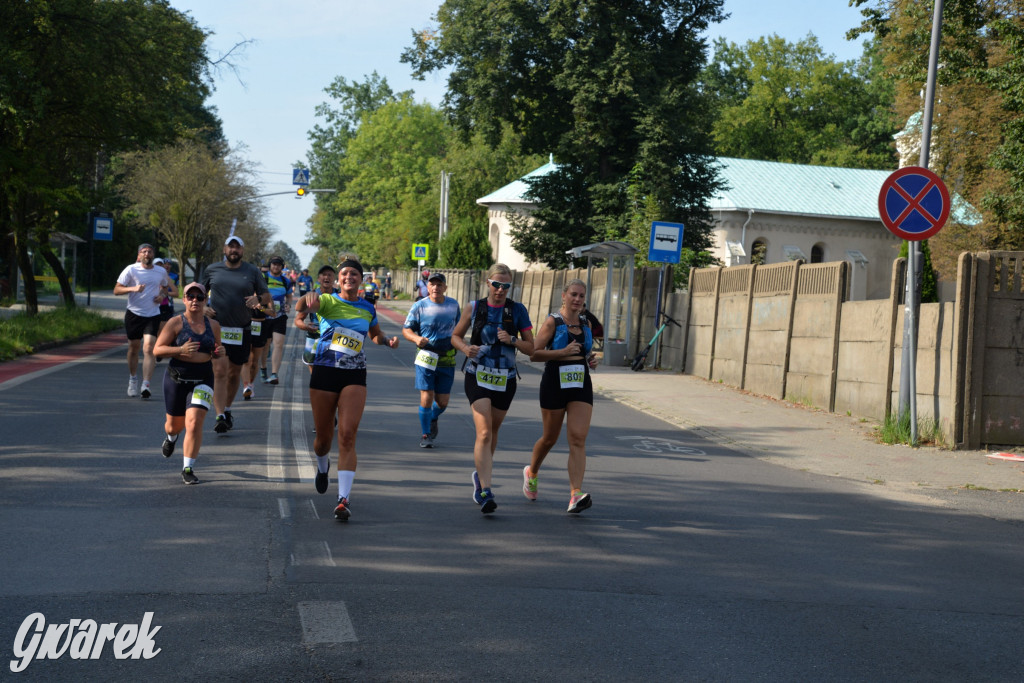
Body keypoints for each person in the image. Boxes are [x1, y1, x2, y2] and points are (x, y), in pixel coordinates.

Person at [294, 256, 399, 522]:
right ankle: (322, 465)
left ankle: (343, 499)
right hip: (325, 372)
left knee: (348, 435)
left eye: (354, 274)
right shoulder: (328, 301)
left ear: (361, 279)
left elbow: (374, 334)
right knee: (323, 440)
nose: (349, 277)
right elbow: (302, 307)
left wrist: (387, 341)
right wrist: (307, 297)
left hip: (354, 374)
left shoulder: (367, 307)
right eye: (345, 274)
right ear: (339, 279)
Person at [450, 263, 534, 514]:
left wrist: (513, 340)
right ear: (488, 283)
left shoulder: (517, 310)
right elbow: (455, 336)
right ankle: (485, 490)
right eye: (496, 284)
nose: (500, 290)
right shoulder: (474, 307)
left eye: (505, 286)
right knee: (484, 432)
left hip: (505, 379)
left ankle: (480, 473)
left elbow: (533, 347)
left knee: (493, 432)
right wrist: (465, 349)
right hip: (477, 375)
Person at [524, 278, 600, 513]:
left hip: (580, 382)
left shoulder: (586, 323)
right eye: (573, 295)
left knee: (578, 437)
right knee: (550, 438)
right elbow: (533, 354)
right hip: (554, 381)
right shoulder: (552, 322)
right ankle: (532, 472)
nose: (577, 299)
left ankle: (575, 493)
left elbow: (584, 352)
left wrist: (590, 359)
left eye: (581, 296)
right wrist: (562, 352)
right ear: (564, 296)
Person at [200, 234, 272, 434]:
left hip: (242, 330)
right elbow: (196, 293)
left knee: (233, 374)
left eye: (237, 247)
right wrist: (203, 307)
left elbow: (266, 296)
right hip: (217, 329)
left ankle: (228, 408)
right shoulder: (212, 270)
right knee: (220, 372)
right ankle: (220, 414)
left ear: (242, 250)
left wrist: (258, 298)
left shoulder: (252, 271)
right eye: (230, 247)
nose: (234, 251)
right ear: (224, 249)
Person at [153, 282, 223, 485]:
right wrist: (179, 350)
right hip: (177, 378)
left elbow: (217, 350)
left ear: (205, 300)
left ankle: (188, 468)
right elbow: (157, 350)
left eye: (199, 297)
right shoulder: (175, 323)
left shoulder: (214, 325)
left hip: (203, 379)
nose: (195, 300)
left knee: (193, 422)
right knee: (174, 425)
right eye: (190, 297)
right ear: (183, 299)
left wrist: (219, 352)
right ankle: (171, 438)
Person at [402, 272, 460, 449]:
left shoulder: (453, 305)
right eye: (432, 284)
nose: (436, 287)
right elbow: (406, 330)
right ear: (427, 287)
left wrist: (460, 345)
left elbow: (459, 329)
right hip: (426, 356)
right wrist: (416, 339)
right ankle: (426, 434)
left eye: (439, 284)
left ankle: (433, 416)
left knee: (442, 402)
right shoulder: (419, 306)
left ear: (445, 287)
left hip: (446, 358)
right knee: (426, 396)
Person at [114, 243, 174, 400]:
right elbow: (116, 290)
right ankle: (133, 379)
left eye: (150, 251)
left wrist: (162, 296)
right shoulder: (131, 269)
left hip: (153, 314)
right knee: (134, 348)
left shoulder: (160, 271)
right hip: (134, 314)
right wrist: (132, 289)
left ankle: (146, 384)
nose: (147, 253)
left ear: (153, 255)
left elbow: (166, 288)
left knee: (149, 348)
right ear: (139, 255)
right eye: (144, 251)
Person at [257, 255, 293, 385]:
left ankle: (274, 374)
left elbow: (289, 296)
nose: (276, 266)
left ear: (282, 267)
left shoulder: (285, 281)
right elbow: (256, 294)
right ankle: (263, 369)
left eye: (278, 265)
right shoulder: (263, 278)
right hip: (264, 315)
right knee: (265, 345)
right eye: (273, 264)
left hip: (279, 316)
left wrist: (288, 304)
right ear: (270, 265)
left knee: (278, 344)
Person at [295, 264, 337, 371]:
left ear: (334, 279)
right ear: (319, 279)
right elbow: (298, 320)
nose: (326, 277)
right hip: (315, 336)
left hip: (334, 337)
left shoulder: (340, 297)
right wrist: (306, 327)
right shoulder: (312, 296)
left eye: (330, 275)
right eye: (324, 275)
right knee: (313, 366)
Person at [154, 258, 177, 334]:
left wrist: (164, 294)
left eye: (160, 265)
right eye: (157, 265)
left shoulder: (167, 277)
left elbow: (176, 293)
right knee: (152, 332)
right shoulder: (149, 276)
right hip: (151, 306)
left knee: (162, 332)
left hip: (165, 306)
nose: (166, 266)